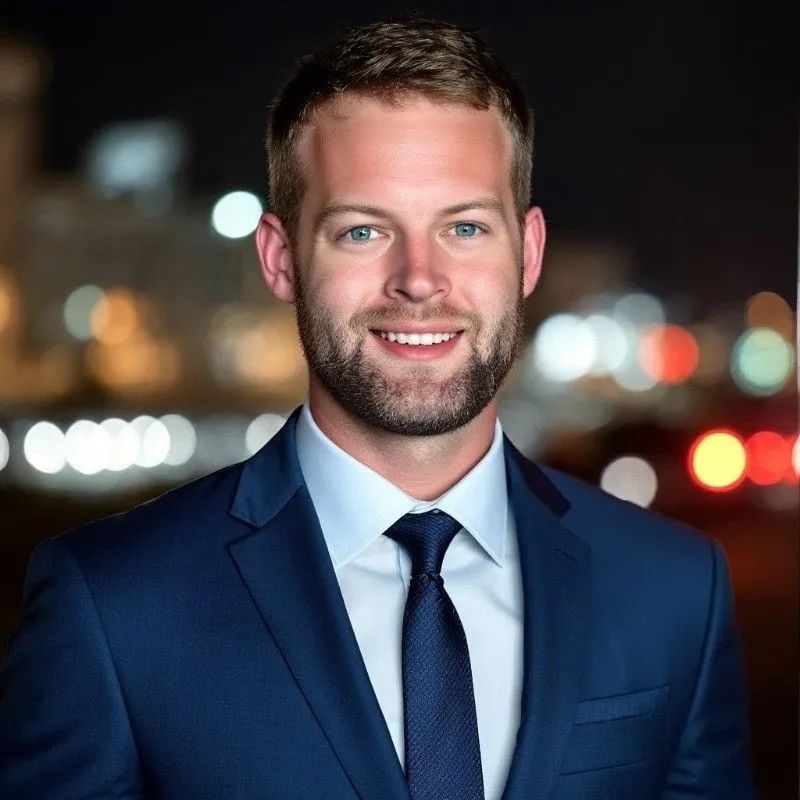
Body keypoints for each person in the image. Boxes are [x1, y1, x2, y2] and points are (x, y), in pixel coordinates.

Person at [0, 15, 757, 800]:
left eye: (464, 227)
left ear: (527, 254)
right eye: (362, 230)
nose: (420, 280)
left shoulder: (674, 589)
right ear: (281, 258)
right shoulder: (113, 607)